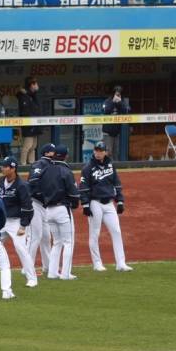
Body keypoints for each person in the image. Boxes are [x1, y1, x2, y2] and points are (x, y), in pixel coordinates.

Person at [0, 157, 38, 288]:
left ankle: (32, 278)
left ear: (13, 168)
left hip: (17, 222)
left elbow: (28, 207)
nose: (2, 168)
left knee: (21, 249)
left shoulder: (22, 185)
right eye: (2, 166)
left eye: (5, 166)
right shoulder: (0, 182)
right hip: (2, 222)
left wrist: (23, 225)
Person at [79, 141, 133, 272]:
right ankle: (97, 263)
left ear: (105, 152)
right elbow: (83, 187)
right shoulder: (87, 168)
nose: (98, 153)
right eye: (96, 150)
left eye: (100, 150)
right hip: (95, 203)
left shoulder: (110, 165)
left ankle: (121, 263)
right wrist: (85, 204)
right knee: (95, 233)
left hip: (109, 204)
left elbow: (117, 183)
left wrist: (120, 201)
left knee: (117, 231)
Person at [35, 144, 81, 280]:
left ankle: (52, 272)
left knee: (57, 242)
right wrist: (74, 204)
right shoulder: (66, 171)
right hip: (62, 209)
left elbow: (38, 188)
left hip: (48, 210)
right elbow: (73, 192)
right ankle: (66, 274)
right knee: (68, 242)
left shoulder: (46, 169)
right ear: (66, 156)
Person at [27, 143, 54, 274]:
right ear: (47, 153)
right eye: (53, 152)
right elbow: (33, 181)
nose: (55, 154)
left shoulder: (52, 165)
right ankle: (27, 268)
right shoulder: (39, 164)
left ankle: (48, 267)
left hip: (44, 206)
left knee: (46, 237)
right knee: (34, 237)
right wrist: (43, 193)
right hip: (34, 204)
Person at [17, 76, 43, 165]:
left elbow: (38, 107)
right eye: (35, 84)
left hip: (36, 124)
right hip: (29, 124)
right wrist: (31, 121)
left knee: (34, 146)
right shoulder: (24, 96)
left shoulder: (34, 95)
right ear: (31, 85)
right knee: (27, 145)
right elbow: (25, 111)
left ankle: (32, 163)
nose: (37, 85)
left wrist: (35, 92)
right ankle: (23, 163)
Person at [101, 85, 131, 160]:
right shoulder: (107, 101)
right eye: (116, 93)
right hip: (108, 132)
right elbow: (105, 111)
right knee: (108, 152)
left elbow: (127, 110)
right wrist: (113, 102)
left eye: (119, 94)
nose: (118, 95)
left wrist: (119, 103)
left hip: (116, 132)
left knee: (116, 152)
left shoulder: (122, 101)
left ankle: (115, 169)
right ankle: (107, 168)